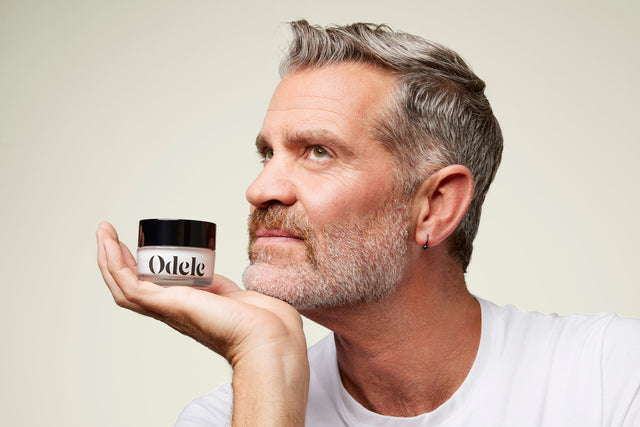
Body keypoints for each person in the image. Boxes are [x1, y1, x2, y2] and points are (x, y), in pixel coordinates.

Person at [97, 20, 640, 426]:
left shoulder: (610, 378)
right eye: (267, 154)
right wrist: (264, 354)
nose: (260, 189)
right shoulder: (237, 412)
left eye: (317, 152)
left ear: (435, 206)